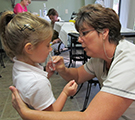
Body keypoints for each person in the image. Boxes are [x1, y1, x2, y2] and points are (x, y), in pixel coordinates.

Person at [9, 4, 135, 120]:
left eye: (84, 33)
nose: (79, 40)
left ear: (104, 32)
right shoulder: (100, 57)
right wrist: (62, 69)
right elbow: (78, 75)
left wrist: (26, 113)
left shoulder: (128, 62)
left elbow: (91, 117)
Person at [0, 11, 77, 111]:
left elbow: (32, 91)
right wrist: (65, 93)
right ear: (29, 48)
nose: (50, 49)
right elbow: (51, 115)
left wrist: (47, 74)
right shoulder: (38, 83)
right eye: (46, 45)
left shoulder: (19, 65)